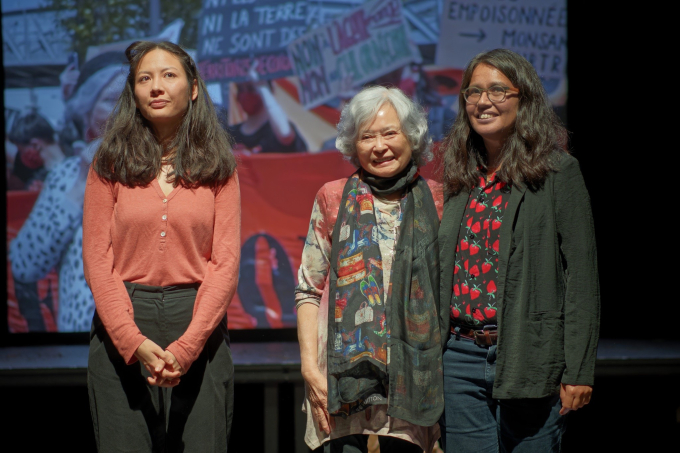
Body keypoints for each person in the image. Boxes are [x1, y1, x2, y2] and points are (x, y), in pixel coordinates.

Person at [437, 48, 600, 452]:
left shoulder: (558, 172)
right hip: (458, 358)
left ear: (523, 98)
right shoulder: (460, 175)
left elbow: (581, 277)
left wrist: (579, 369)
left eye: (497, 90)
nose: (482, 101)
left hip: (530, 354)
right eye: (473, 92)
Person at [82, 41, 239, 451]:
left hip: (198, 325)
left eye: (169, 75)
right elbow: (98, 259)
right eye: (144, 78)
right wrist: (133, 342)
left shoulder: (219, 165)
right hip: (124, 322)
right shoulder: (109, 163)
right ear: (132, 92)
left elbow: (225, 263)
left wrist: (187, 348)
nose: (156, 86)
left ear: (193, 88)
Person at [295, 85, 444, 452]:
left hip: (413, 375)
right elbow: (308, 289)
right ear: (353, 144)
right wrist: (310, 371)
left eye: (390, 133)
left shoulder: (440, 199)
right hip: (341, 377)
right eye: (367, 136)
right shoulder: (331, 197)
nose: (380, 146)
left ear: (412, 136)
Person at [8, 55, 127, 332]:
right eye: (112, 100)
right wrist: (80, 186)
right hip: (83, 352)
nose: (125, 111)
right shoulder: (66, 175)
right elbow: (25, 265)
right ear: (87, 111)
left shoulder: (168, 173)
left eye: (133, 100)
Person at [230, 67, 307, 153]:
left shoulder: (277, 129)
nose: (245, 95)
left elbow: (285, 134)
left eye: (251, 88)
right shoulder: (231, 134)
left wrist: (261, 85)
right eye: (240, 89)